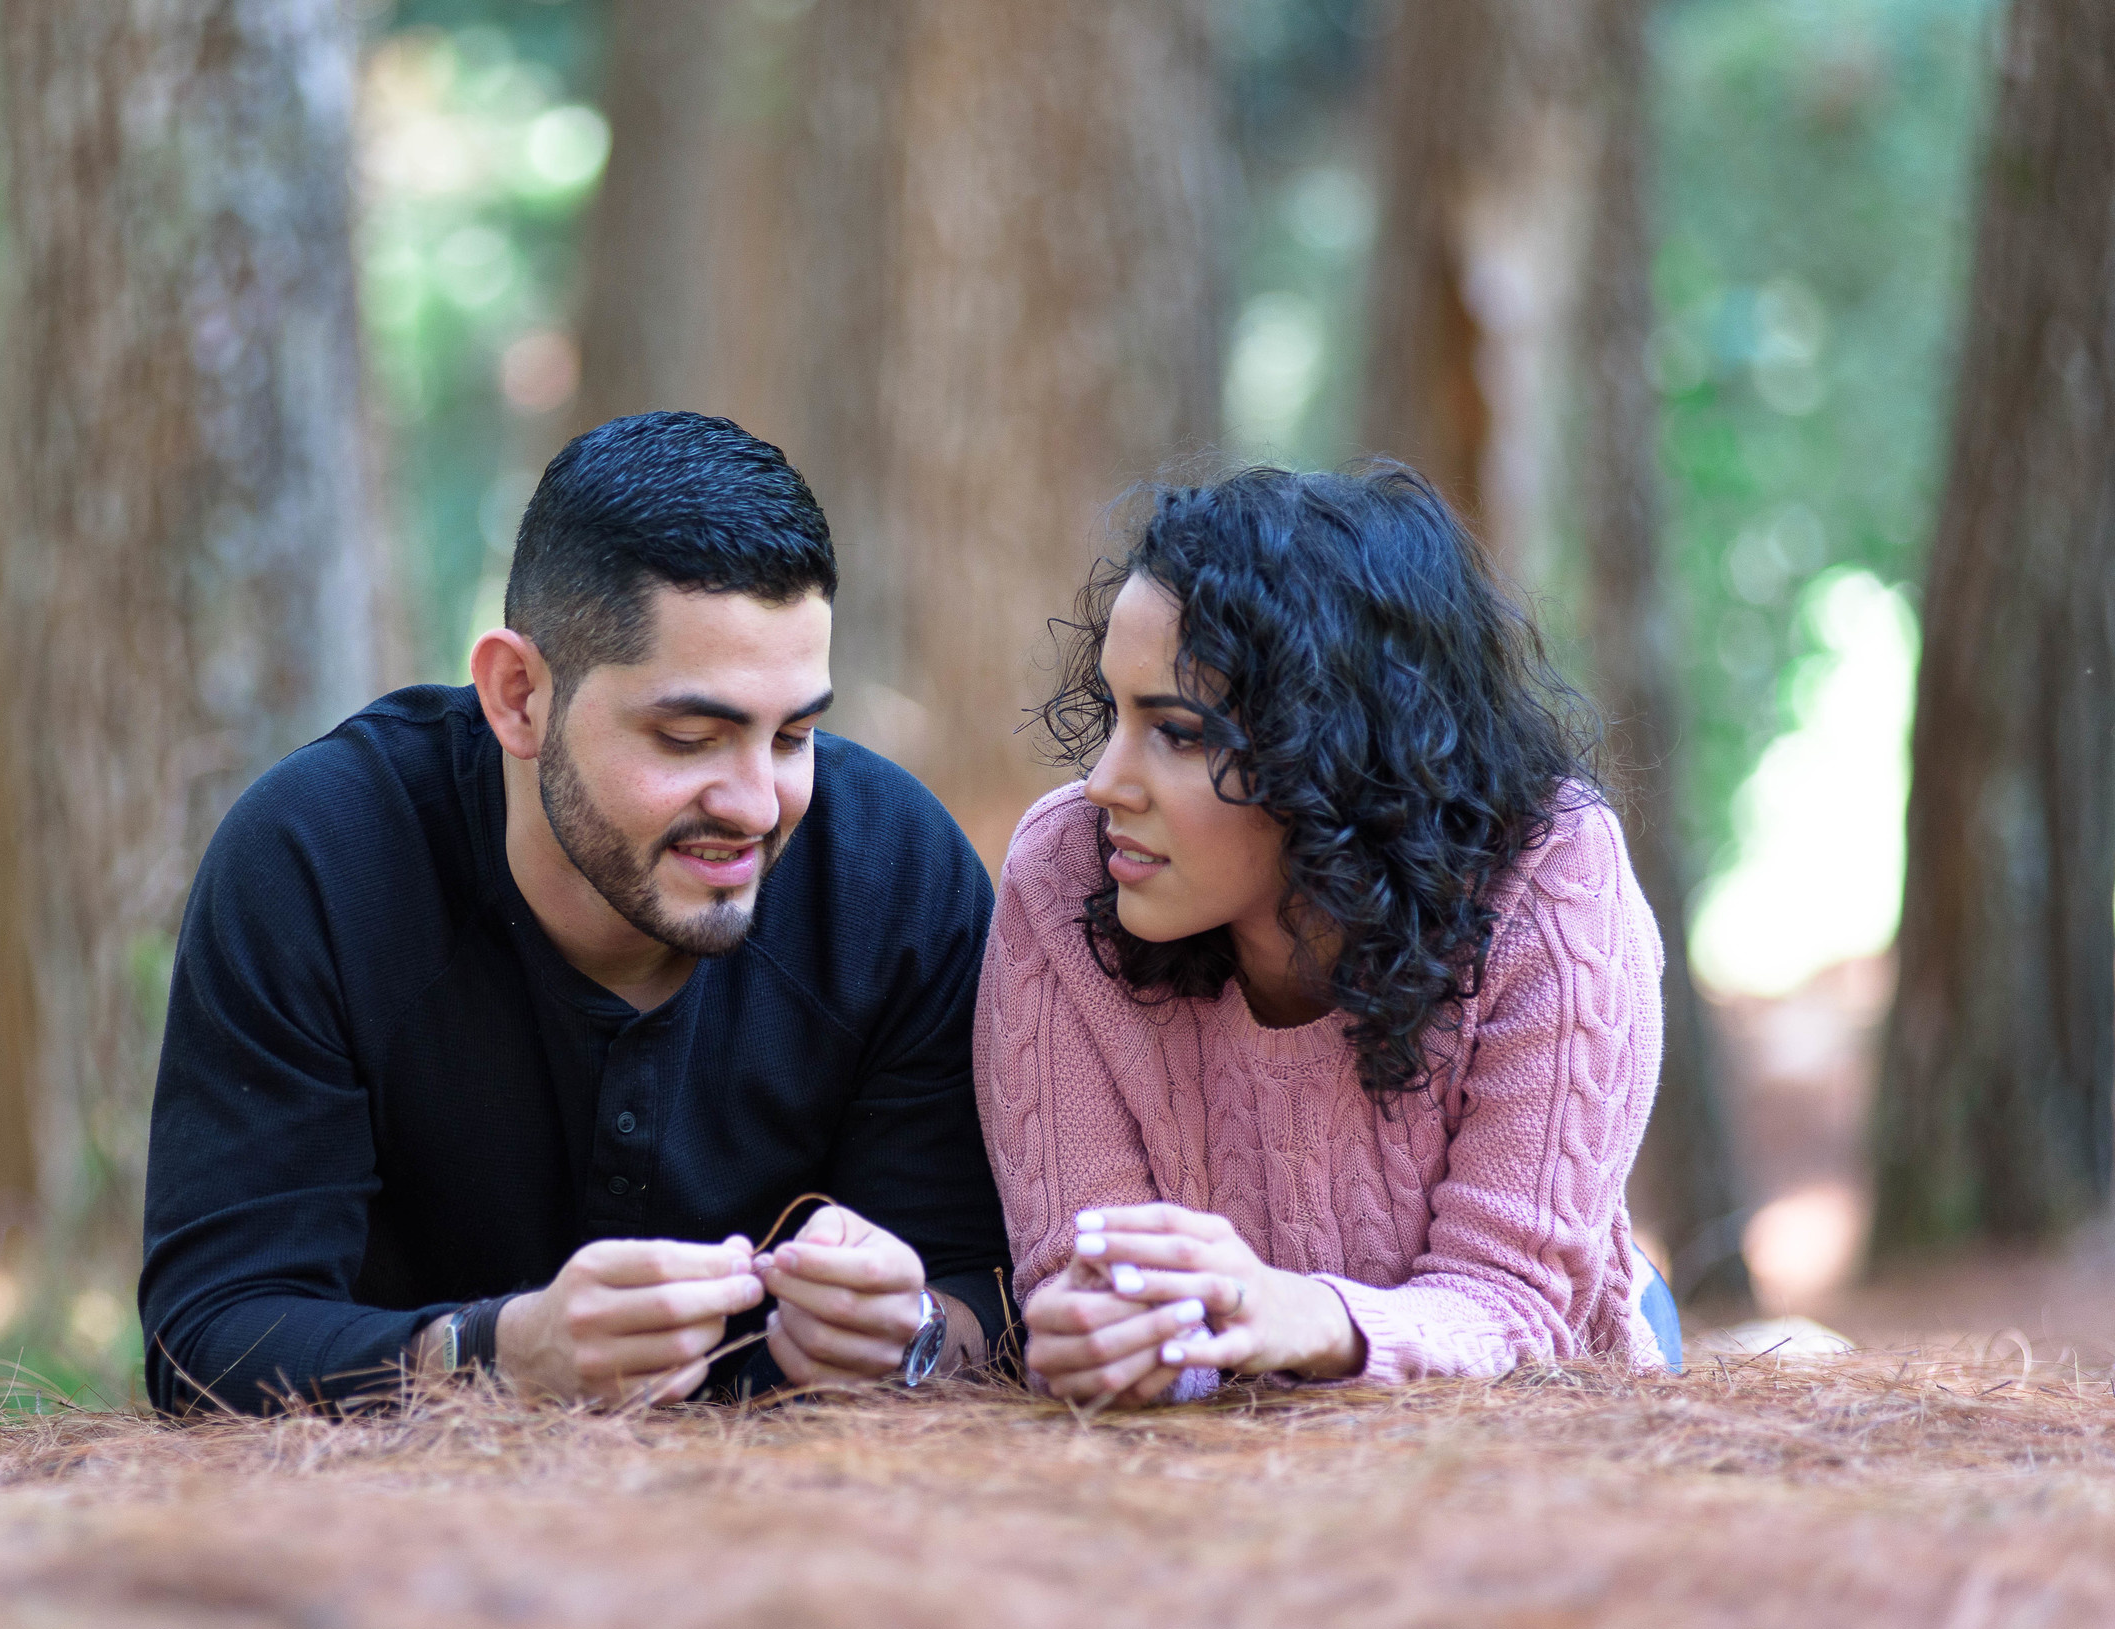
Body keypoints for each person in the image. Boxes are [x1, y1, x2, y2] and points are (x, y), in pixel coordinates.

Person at [140, 412, 1011, 1413]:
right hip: (391, 1551)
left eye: (793, 735)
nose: (757, 805)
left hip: (798, 1552)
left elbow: (985, 1293)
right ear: (518, 695)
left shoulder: (894, 879)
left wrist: (913, 1338)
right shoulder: (321, 861)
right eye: (689, 735)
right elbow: (208, 1334)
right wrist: (493, 1354)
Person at [976, 462, 1684, 1408]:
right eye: (1115, 713)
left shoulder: (1549, 878)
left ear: (1335, 750)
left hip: (1541, 1421)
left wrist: (1306, 1316)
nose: (1105, 782)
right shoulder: (1064, 875)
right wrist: (1104, 1337)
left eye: (1179, 730)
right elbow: (1080, 1276)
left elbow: (1515, 1307)